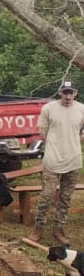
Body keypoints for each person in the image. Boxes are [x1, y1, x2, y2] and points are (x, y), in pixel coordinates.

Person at [29, 79, 84, 245]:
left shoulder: (82, 109)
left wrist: (74, 142)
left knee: (66, 198)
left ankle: (58, 229)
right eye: (65, 92)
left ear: (75, 93)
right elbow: (43, 132)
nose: (68, 96)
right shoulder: (49, 109)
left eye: (71, 93)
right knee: (46, 196)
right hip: (53, 160)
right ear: (59, 92)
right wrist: (55, 146)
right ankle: (38, 228)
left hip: (73, 160)